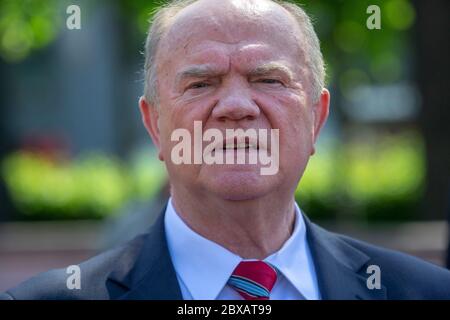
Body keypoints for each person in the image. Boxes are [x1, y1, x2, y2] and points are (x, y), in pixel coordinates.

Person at [2, 0, 450, 300]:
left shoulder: (427, 293)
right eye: (201, 84)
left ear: (316, 118)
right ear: (155, 124)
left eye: (268, 80)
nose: (236, 107)